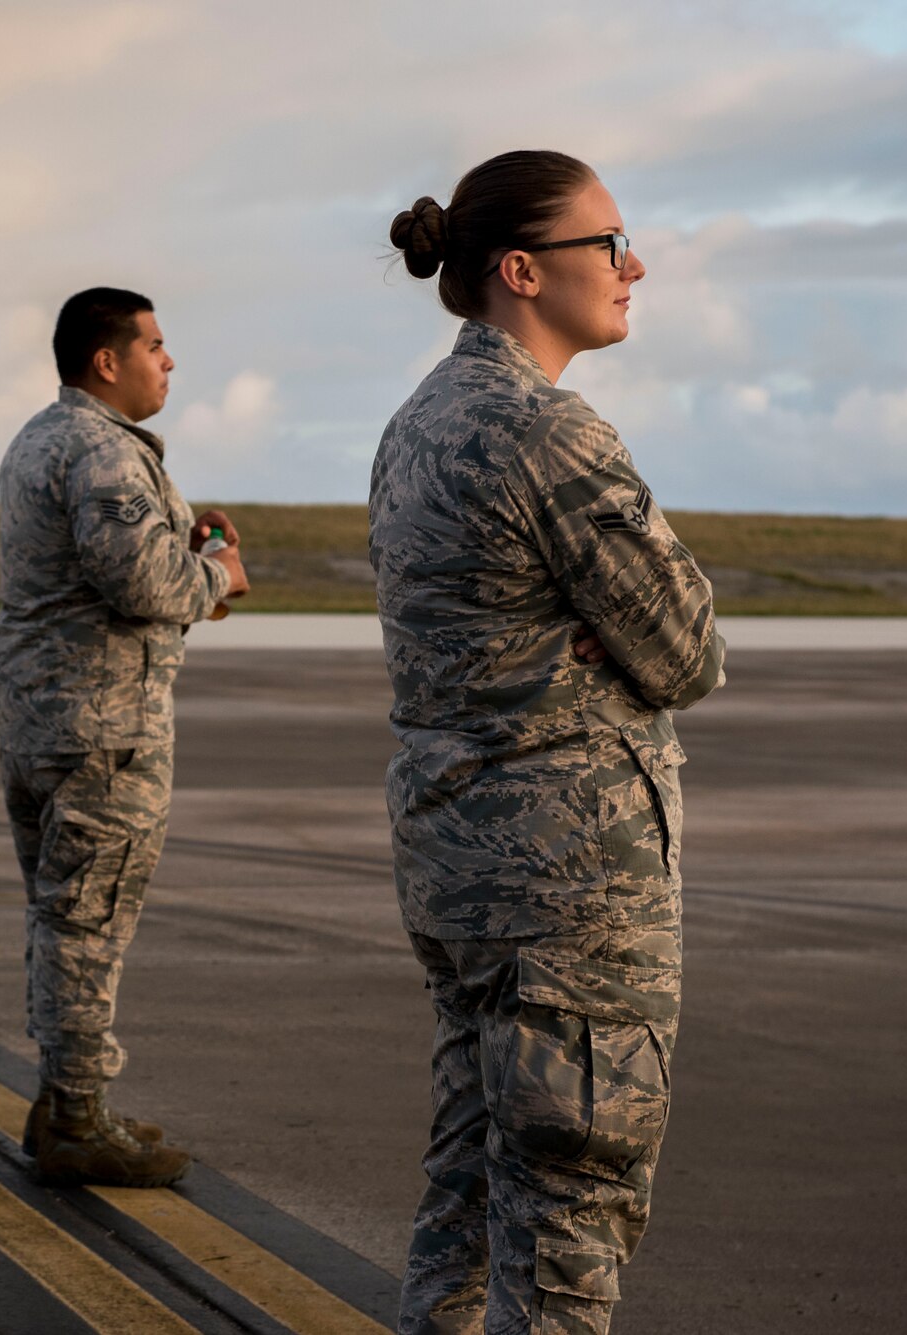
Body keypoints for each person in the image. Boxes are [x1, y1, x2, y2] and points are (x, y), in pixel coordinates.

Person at [371, 152, 725, 1335]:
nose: (633, 266)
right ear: (521, 271)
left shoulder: (416, 422)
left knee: (471, 1179)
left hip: (459, 865)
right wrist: (594, 639)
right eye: (607, 244)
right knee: (571, 1200)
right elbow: (685, 651)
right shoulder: (547, 434)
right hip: (566, 886)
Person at [0, 287, 250, 1189]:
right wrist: (215, 568)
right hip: (104, 728)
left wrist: (184, 539)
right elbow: (144, 584)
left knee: (61, 917)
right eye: (155, 344)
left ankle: (62, 1096)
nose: (168, 360)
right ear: (107, 361)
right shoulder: (102, 451)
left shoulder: (39, 438)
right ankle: (77, 1118)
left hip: (41, 721)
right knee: (87, 926)